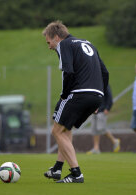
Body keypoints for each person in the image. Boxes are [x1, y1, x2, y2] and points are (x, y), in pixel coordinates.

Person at [42, 21, 109, 183]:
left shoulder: (64, 44)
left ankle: (76, 173)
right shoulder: (88, 44)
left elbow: (68, 72)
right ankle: (57, 168)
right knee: (65, 129)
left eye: (49, 42)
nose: (49, 46)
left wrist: (64, 95)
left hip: (78, 93)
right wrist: (99, 99)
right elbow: (104, 72)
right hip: (96, 95)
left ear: (57, 37)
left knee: (56, 131)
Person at [87, 85, 120, 154]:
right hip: (94, 110)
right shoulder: (94, 84)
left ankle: (114, 140)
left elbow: (110, 97)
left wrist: (107, 108)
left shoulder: (105, 84)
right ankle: (96, 148)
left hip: (102, 110)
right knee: (94, 130)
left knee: (101, 129)